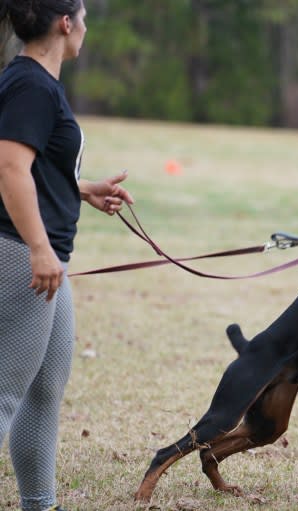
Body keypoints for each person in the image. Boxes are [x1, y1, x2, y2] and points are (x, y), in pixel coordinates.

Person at [0, 1, 134, 510]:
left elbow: (34, 166)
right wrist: (37, 248)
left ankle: (40, 504)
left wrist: (79, 188)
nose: (86, 27)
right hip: (20, 256)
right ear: (65, 23)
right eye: (83, 16)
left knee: (41, 393)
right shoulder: (31, 85)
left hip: (44, 257)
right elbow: (9, 168)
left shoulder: (37, 84)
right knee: (5, 394)